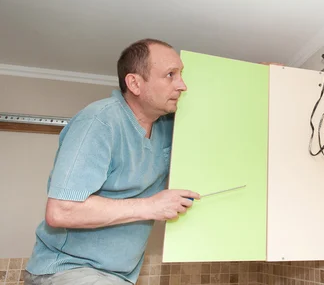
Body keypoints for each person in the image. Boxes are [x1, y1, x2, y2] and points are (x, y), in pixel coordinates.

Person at [23, 38, 201, 285]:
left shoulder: (169, 126)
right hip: (67, 270)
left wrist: (264, 82)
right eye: (170, 75)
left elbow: (212, 106)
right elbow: (61, 210)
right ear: (135, 83)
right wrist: (151, 206)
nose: (182, 85)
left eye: (181, 74)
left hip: (120, 276)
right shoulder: (99, 122)